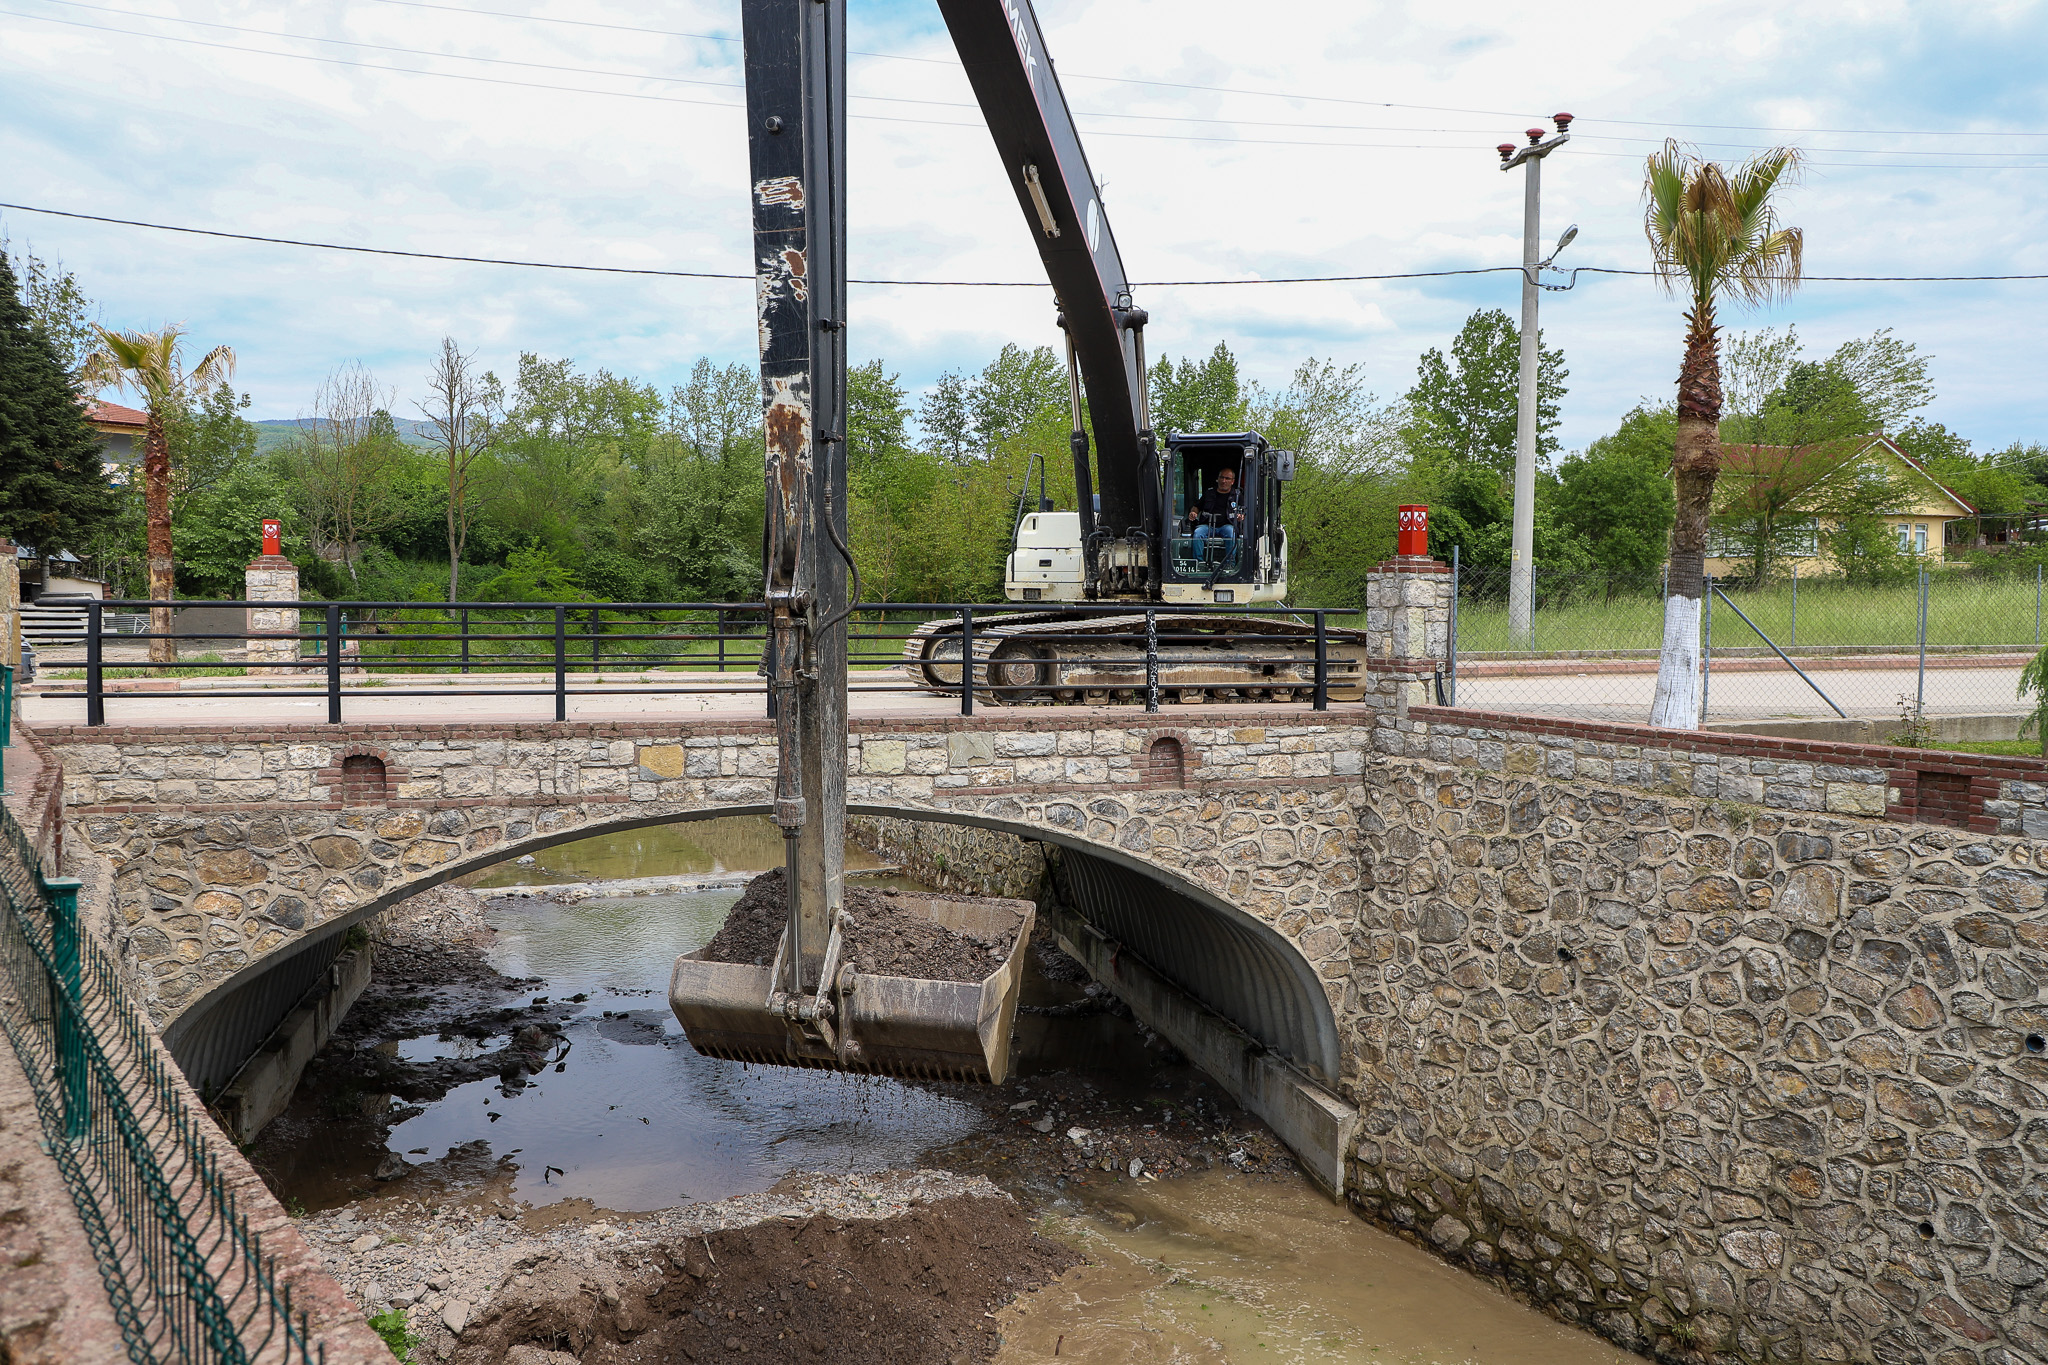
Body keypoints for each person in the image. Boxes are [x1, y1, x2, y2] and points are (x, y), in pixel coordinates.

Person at [1188, 466, 1244, 561]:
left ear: (1232, 481)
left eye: (1227, 478)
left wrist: (1241, 516)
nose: (1224, 481)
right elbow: (1197, 506)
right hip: (1207, 526)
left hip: (1227, 526)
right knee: (1197, 533)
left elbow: (1244, 510)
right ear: (1217, 479)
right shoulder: (1209, 493)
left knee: (1231, 533)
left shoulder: (1237, 495)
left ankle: (1229, 564)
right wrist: (1193, 513)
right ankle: (1199, 563)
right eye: (1221, 477)